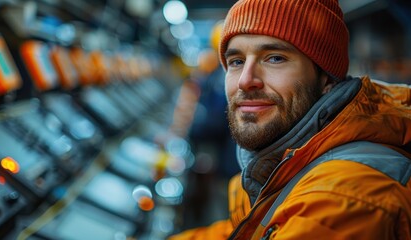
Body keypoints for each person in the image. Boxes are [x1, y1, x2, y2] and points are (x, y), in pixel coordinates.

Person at [169, 0, 411, 239]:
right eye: (236, 62)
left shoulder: (343, 198)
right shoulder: (283, 163)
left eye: (275, 58)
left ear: (326, 78)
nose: (245, 80)